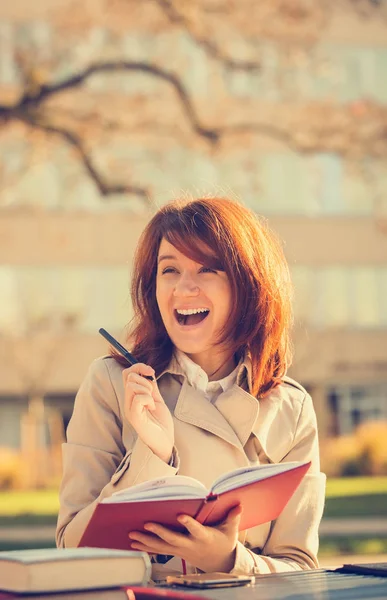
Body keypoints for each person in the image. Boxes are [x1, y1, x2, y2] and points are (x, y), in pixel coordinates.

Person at [56, 197, 325, 579]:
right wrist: (153, 456)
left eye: (207, 269)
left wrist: (229, 560)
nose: (184, 288)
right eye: (170, 270)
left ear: (248, 285)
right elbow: (70, 549)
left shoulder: (291, 407)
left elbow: (300, 571)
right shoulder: (112, 385)